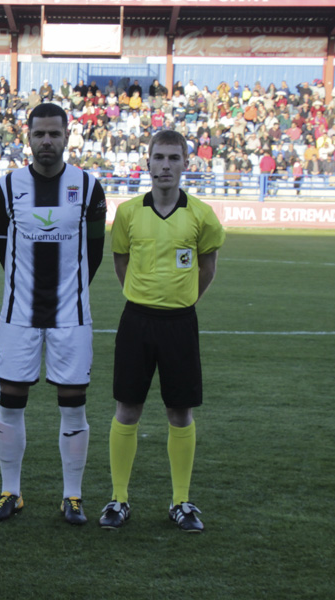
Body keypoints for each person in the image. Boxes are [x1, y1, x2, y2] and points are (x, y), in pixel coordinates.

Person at [0, 103, 107, 525]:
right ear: (29, 136)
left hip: (71, 316)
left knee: (73, 406)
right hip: (18, 315)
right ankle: (10, 492)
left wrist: (66, 291)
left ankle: (72, 496)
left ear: (67, 136)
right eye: (40, 134)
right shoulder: (7, 187)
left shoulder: (89, 187)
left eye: (55, 134)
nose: (47, 141)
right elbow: (4, 247)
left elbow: (94, 253)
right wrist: (28, 289)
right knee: (11, 403)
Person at [99, 129, 225, 533]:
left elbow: (208, 267)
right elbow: (120, 260)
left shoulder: (201, 215)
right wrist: (141, 294)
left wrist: (184, 300)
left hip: (180, 323)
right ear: (147, 162)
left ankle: (181, 501)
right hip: (136, 320)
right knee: (127, 408)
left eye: (174, 158)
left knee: (180, 411)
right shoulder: (130, 212)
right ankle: (119, 499)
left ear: (186, 163)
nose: (166, 165)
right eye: (159, 158)